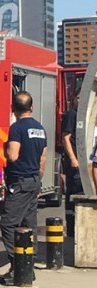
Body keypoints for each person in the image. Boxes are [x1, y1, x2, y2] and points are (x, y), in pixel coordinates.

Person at [0, 91, 47, 285]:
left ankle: (17, 264)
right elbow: (42, 158)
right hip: (34, 179)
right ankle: (28, 265)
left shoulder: (16, 128)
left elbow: (13, 156)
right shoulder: (40, 128)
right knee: (29, 224)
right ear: (31, 108)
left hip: (19, 181)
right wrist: (37, 180)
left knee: (8, 224)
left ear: (13, 109)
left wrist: (6, 147)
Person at [61, 100, 82, 237]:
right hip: (75, 165)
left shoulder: (84, 116)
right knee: (74, 194)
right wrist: (73, 159)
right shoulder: (72, 114)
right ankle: (71, 230)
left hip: (85, 164)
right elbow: (66, 138)